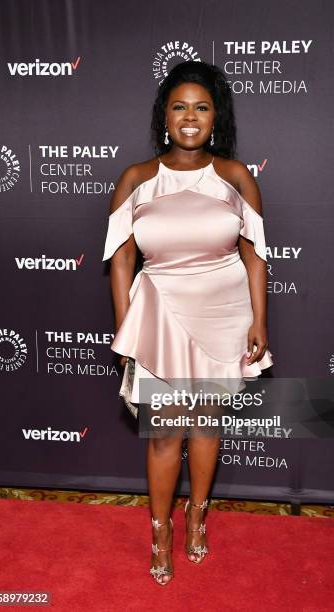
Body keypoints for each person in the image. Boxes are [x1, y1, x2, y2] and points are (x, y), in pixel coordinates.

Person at [102, 60, 274, 585]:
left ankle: (197, 516)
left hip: (224, 314)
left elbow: (255, 256)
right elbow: (122, 261)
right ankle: (161, 530)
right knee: (163, 434)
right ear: (165, 118)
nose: (191, 117)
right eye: (180, 107)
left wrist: (259, 323)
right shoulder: (136, 179)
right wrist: (127, 327)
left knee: (205, 426)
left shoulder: (236, 177)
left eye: (201, 106)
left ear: (215, 117)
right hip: (160, 314)